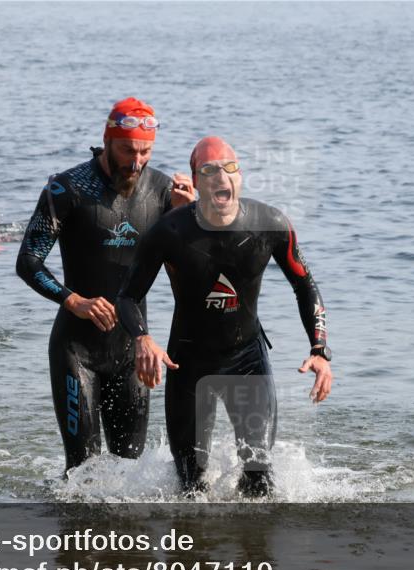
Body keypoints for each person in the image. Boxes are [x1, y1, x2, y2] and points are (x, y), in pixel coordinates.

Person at [117, 137, 333, 497]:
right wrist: (142, 337)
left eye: (230, 167)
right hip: (186, 364)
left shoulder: (270, 224)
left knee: (259, 479)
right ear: (195, 181)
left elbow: (305, 285)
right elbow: (127, 296)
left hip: (246, 360)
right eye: (210, 170)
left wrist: (320, 349)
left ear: (240, 175)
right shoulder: (169, 233)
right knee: (190, 487)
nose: (222, 176)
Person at [16, 97, 195, 474]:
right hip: (76, 350)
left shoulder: (165, 193)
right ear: (107, 139)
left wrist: (188, 219)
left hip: (132, 352)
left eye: (145, 152)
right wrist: (73, 300)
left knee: (130, 473)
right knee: (82, 470)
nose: (136, 161)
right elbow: (28, 263)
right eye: (128, 150)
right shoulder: (66, 190)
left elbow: (192, 278)